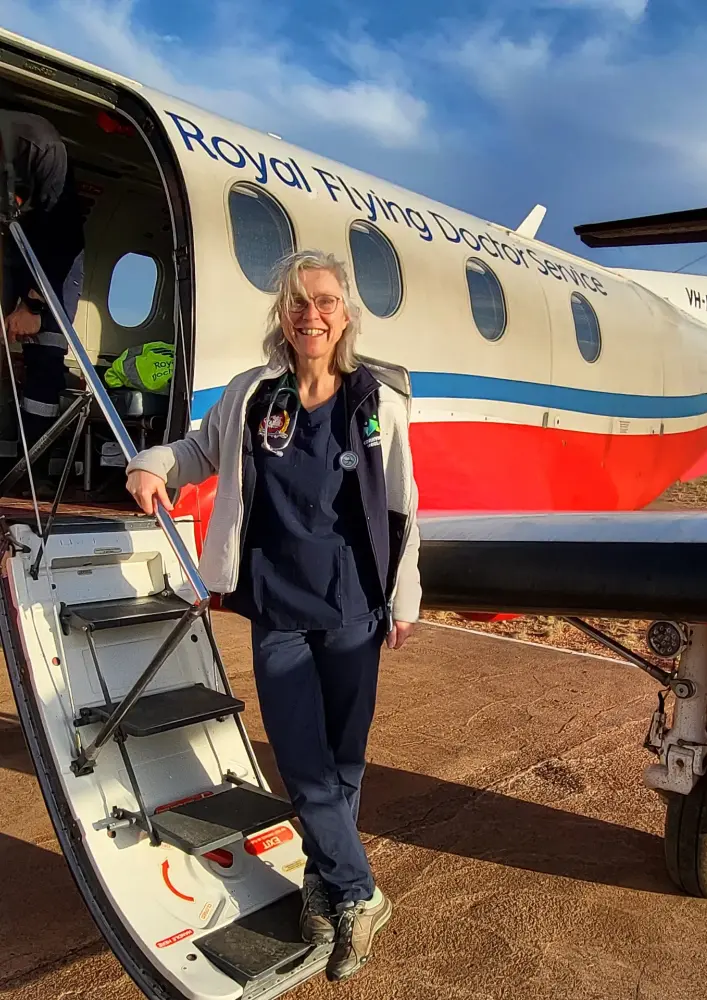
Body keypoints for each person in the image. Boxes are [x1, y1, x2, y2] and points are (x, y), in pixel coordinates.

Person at [124, 249, 421, 982]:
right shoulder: (256, 395)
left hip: (354, 606)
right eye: (296, 302)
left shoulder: (377, 401)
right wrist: (153, 463)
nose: (310, 314)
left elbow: (405, 507)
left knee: (344, 760)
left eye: (323, 301)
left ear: (346, 314)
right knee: (302, 757)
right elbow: (198, 451)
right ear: (282, 317)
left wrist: (404, 596)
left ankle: (324, 886)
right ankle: (360, 891)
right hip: (279, 606)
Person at [0, 110, 85, 454]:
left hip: (52, 253)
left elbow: (62, 237)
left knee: (45, 349)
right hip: (10, 245)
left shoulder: (41, 145)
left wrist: (33, 305)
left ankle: (32, 464)